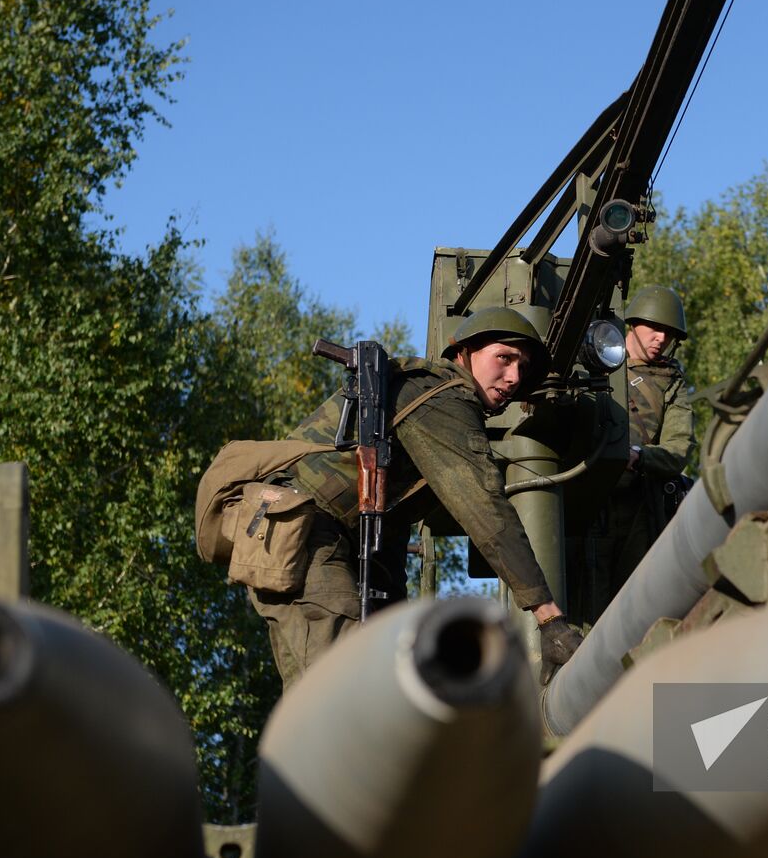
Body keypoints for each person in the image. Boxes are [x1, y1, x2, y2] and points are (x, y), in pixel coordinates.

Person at [249, 307, 581, 687]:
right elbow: (488, 513)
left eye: (522, 368)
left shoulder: (434, 399)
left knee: (374, 687)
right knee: (344, 687)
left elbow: (387, 524)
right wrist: (550, 618)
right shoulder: (441, 397)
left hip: (315, 535)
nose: (513, 377)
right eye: (503, 358)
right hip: (302, 529)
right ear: (464, 353)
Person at [574, 285, 696, 624]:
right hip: (586, 500)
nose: (661, 338)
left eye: (668, 334)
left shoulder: (670, 382)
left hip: (639, 507)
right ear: (633, 324)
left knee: (635, 610)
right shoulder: (593, 362)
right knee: (584, 606)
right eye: (655, 328)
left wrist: (639, 456)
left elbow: (677, 450)